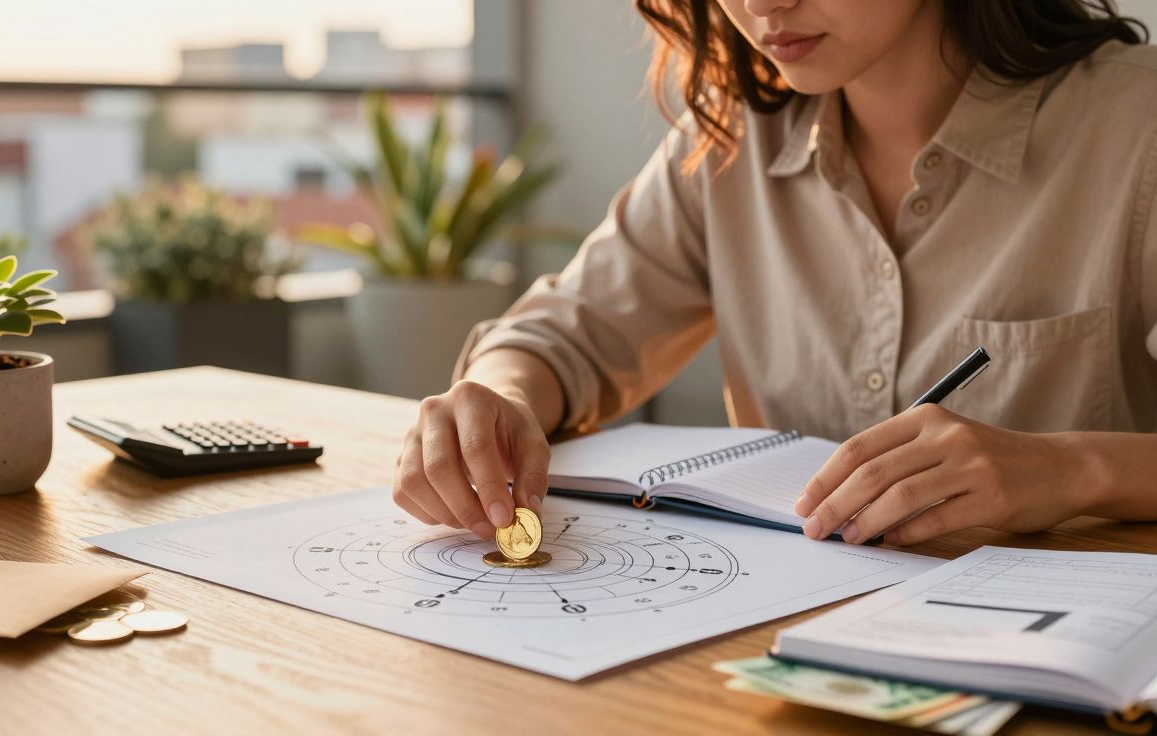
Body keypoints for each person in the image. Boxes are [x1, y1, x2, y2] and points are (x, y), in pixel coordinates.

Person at [392, 0, 1157, 547]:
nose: (760, 5)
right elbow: (568, 336)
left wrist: (1072, 468)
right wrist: (495, 398)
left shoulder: (1136, 123)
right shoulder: (731, 139)